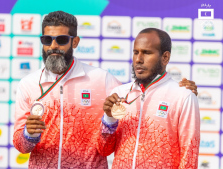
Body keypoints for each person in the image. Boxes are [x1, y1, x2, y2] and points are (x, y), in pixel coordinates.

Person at [13, 11, 198, 169]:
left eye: (61, 40)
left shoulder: (101, 79)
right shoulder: (28, 84)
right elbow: (20, 145)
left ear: (75, 42)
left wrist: (181, 92)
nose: (53, 46)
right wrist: (29, 134)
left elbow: (143, 90)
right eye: (47, 39)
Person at [97, 28, 200, 169]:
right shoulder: (120, 93)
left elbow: (189, 156)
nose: (139, 59)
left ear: (165, 57)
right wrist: (109, 119)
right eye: (135, 52)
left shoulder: (183, 96)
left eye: (147, 53)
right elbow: (104, 150)